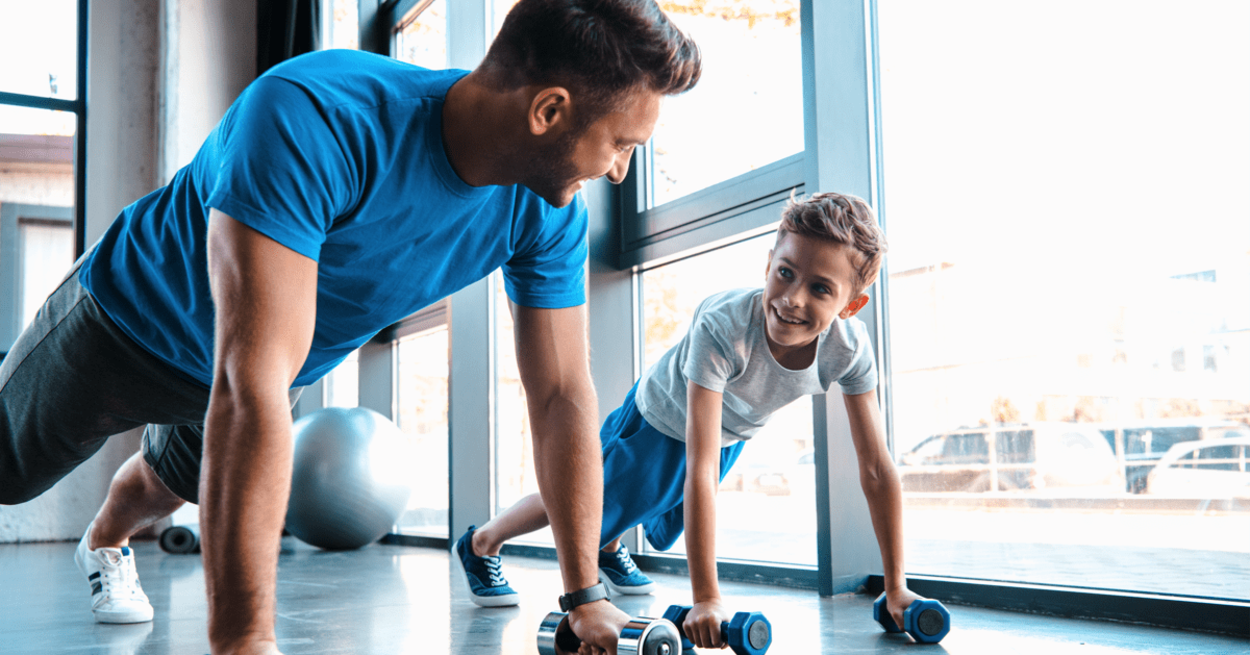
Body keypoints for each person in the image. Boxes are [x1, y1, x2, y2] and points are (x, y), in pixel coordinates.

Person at [0, 1, 700, 654]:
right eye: (621, 144)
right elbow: (249, 386)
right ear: (550, 110)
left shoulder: (548, 214)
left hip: (261, 376)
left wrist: (584, 596)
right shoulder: (317, 113)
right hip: (128, 322)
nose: (618, 171)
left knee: (159, 485)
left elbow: (561, 398)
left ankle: (103, 541)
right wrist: (246, 641)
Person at [460, 191, 930, 649]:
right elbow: (698, 467)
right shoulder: (724, 325)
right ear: (768, 265)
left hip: (730, 434)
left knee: (654, 524)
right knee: (583, 503)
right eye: (785, 273)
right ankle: (483, 541)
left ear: (850, 306)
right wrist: (706, 599)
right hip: (658, 421)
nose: (791, 299)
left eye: (820, 289)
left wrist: (897, 585)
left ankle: (608, 543)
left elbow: (876, 468)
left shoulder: (849, 349)